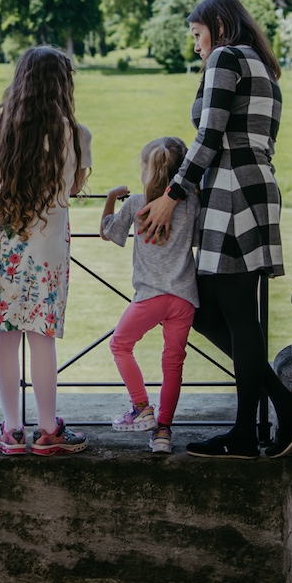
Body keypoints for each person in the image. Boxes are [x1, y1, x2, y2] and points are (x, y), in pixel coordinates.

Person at [138, 0, 292, 459]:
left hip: (233, 191)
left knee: (231, 314)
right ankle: (281, 410)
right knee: (211, 306)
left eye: (197, 34)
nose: (196, 46)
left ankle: (245, 434)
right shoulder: (262, 67)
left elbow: (209, 134)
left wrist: (170, 197)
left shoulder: (225, 56)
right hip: (253, 187)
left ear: (217, 24)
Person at [0, 46, 92, 457]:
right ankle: (47, 429)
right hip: (47, 249)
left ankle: (11, 430)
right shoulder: (76, 133)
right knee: (42, 339)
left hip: (3, 242)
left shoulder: (2, 127)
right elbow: (74, 188)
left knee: (4, 339)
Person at [101, 137, 200, 455]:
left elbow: (110, 233)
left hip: (151, 296)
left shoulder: (136, 202)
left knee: (120, 344)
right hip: (184, 296)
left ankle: (141, 406)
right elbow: (197, 237)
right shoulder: (191, 203)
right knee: (173, 364)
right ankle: (163, 432)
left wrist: (111, 198)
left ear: (148, 168)